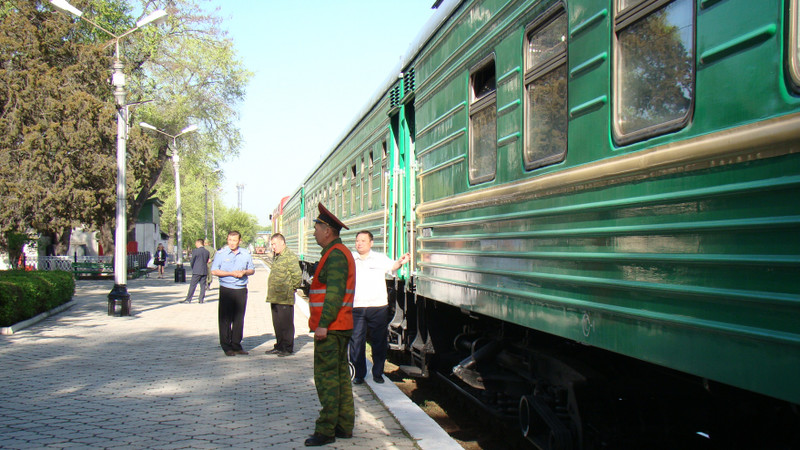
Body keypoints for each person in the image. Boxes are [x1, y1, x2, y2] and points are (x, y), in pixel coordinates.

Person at [304, 203, 356, 447]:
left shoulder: (335, 255)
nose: (314, 232)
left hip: (332, 327)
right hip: (339, 326)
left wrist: (322, 325)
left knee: (327, 379)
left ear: (327, 230)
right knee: (341, 377)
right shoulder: (337, 252)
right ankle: (344, 425)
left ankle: (326, 430)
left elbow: (334, 293)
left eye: (316, 227)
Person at [350, 230, 410, 385]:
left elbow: (392, 266)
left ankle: (378, 372)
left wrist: (401, 261)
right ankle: (359, 373)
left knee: (378, 342)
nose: (360, 243)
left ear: (371, 243)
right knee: (356, 342)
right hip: (356, 306)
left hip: (377, 306)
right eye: (358, 240)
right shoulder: (350, 259)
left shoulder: (379, 258)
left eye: (363, 240)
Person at [211, 231, 255, 356]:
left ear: (239, 241)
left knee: (239, 318)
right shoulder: (221, 254)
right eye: (230, 240)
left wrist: (245, 272)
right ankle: (226, 346)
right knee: (225, 318)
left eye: (234, 240)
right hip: (227, 289)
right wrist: (230, 273)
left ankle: (236, 344)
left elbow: (252, 270)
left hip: (241, 289)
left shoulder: (246, 254)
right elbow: (214, 270)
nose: (231, 243)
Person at [265, 233, 302, 357]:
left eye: (274, 244)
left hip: (285, 297)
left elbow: (297, 275)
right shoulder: (278, 256)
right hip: (275, 296)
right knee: (277, 324)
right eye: (272, 244)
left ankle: (287, 348)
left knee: (286, 324)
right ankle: (279, 346)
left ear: (282, 243)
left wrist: (292, 289)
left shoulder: (289, 256)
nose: (273, 247)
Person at [182, 239, 210, 304]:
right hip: (204, 270)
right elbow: (206, 260)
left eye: (196, 243)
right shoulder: (207, 252)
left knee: (193, 285)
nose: (195, 244)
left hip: (197, 270)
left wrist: (193, 267)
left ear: (198, 243)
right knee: (203, 286)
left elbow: (192, 261)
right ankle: (201, 299)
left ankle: (188, 299)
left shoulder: (195, 251)